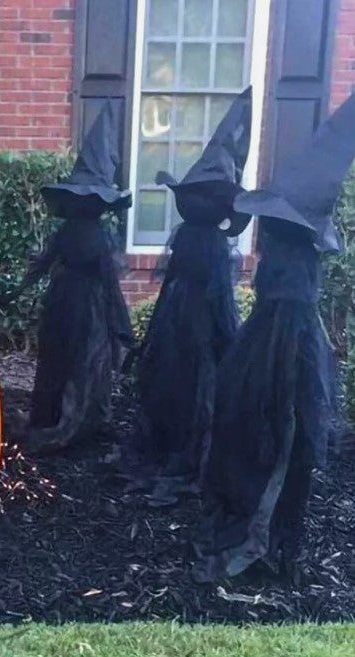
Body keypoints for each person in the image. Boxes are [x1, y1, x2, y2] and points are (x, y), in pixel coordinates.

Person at [193, 92, 355, 582]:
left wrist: (278, 391)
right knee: (255, 441)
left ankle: (263, 538)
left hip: (281, 356)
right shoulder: (294, 250)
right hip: (268, 347)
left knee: (276, 444)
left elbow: (287, 318)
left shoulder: (292, 261)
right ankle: (266, 533)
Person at [132, 88, 253, 505]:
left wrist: (227, 340)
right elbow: (189, 287)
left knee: (190, 381)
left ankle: (180, 443)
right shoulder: (195, 240)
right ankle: (171, 441)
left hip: (192, 324)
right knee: (178, 379)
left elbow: (217, 294)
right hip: (181, 322)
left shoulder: (207, 244)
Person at [6, 103, 133, 455]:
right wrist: (124, 331)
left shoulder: (71, 233)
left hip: (64, 300)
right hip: (84, 305)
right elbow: (110, 286)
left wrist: (14, 292)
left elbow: (43, 265)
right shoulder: (97, 237)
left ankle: (52, 415)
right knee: (83, 361)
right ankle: (75, 420)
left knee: (63, 358)